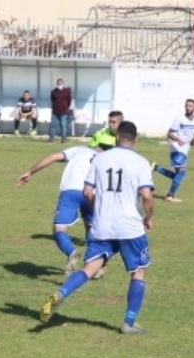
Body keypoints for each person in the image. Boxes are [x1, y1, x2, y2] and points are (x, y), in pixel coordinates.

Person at [39, 121, 155, 335]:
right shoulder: (140, 162)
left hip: (102, 225)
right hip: (130, 226)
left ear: (117, 137)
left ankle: (61, 293)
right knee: (138, 272)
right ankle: (129, 322)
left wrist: (99, 209)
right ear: (135, 139)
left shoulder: (99, 159)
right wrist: (148, 217)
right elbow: (147, 196)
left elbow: (87, 192)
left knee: (90, 269)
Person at [15, 143, 107, 280]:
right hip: (92, 193)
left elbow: (52, 157)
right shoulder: (107, 158)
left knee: (59, 230)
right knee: (91, 228)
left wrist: (30, 172)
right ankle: (94, 267)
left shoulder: (79, 150)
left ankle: (72, 252)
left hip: (71, 191)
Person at [153, 98, 194, 203]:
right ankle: (170, 195)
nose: (187, 107)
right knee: (182, 171)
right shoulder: (179, 119)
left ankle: (157, 168)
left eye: (190, 106)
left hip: (185, 149)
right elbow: (169, 133)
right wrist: (178, 139)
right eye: (186, 105)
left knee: (177, 175)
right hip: (176, 148)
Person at [49, 78, 73, 144]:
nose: (59, 84)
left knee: (63, 126)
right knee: (53, 126)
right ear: (56, 83)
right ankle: (51, 139)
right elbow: (52, 100)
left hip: (63, 112)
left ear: (63, 83)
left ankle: (63, 140)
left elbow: (69, 100)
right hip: (55, 112)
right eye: (58, 83)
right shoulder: (53, 91)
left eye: (61, 83)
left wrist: (66, 107)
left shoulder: (67, 91)